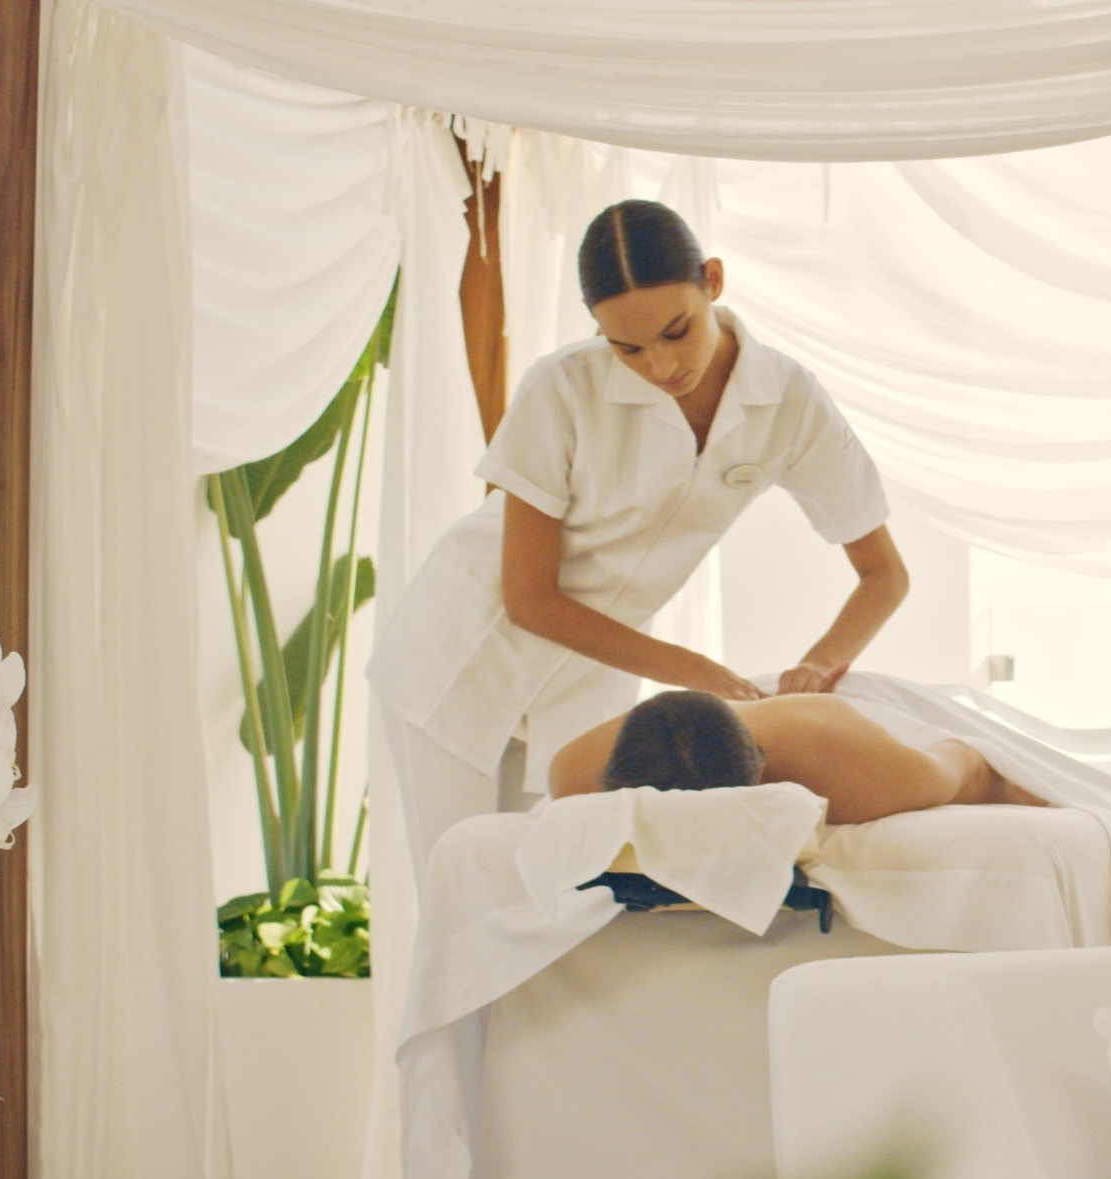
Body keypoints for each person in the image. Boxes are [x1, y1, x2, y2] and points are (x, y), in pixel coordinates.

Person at [369, 199, 906, 866]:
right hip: (460, 653)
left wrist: (820, 666)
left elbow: (885, 574)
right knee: (465, 893)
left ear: (712, 280)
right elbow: (528, 599)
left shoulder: (788, 400)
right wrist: (695, 672)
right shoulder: (561, 390)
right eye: (626, 347)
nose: (659, 366)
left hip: (590, 678)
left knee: (573, 901)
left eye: (677, 332)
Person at [545, 689, 1049, 826]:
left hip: (856, 710)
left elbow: (972, 765)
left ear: (761, 776)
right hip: (716, 704)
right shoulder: (575, 773)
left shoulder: (850, 768)